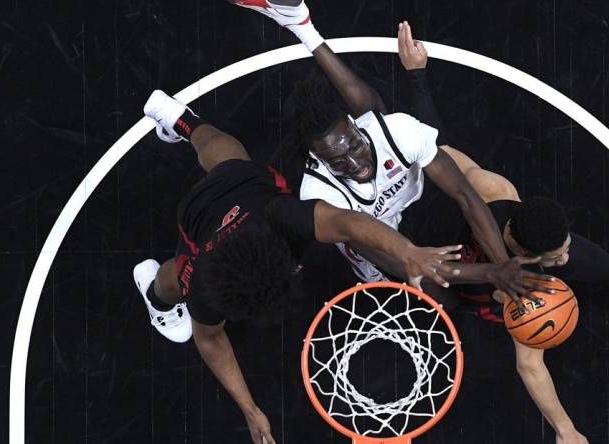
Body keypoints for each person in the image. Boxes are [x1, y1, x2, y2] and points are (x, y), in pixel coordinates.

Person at [377, 21, 609, 444]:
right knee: (438, 300)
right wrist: (566, 430)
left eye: (562, 249)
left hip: (487, 263)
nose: (564, 259)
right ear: (523, 252)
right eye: (556, 257)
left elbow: (440, 145)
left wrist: (417, 75)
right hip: (442, 260)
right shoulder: (478, 211)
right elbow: (530, 364)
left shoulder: (500, 194)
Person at [134, 89, 465, 444]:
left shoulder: (284, 216)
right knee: (178, 270)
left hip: (246, 192)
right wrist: (250, 408)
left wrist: (408, 252)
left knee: (231, 164)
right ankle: (155, 295)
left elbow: (350, 222)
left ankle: (182, 121)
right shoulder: (202, 284)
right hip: (202, 214)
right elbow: (210, 340)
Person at [229, 0, 554, 306]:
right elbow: (399, 263)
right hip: (379, 241)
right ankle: (300, 25)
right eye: (338, 162)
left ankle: (303, 26)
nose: (356, 165)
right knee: (441, 300)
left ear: (359, 127)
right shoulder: (320, 193)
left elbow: (466, 195)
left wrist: (503, 267)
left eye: (355, 146)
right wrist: (490, 273)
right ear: (320, 162)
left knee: (389, 126)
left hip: (418, 206)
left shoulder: (395, 130)